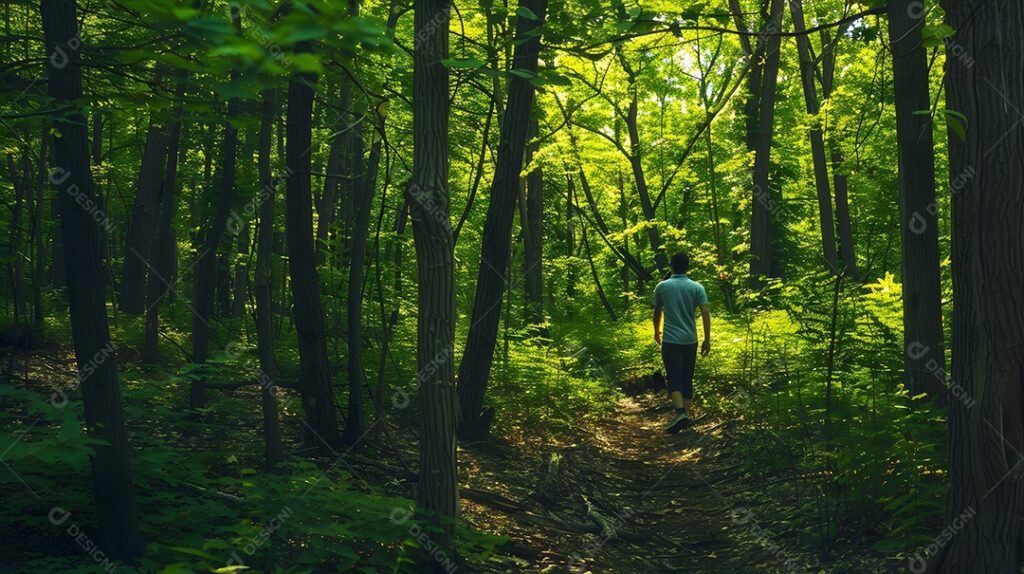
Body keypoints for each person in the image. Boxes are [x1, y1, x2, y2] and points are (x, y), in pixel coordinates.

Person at [653, 251, 710, 434]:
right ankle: (683, 416)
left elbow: (657, 313)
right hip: (690, 340)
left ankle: (680, 414)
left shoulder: (662, 286)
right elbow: (705, 314)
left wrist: (656, 332)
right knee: (687, 377)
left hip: (670, 340)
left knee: (674, 377)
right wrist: (706, 339)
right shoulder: (697, 287)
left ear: (671, 266)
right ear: (688, 267)